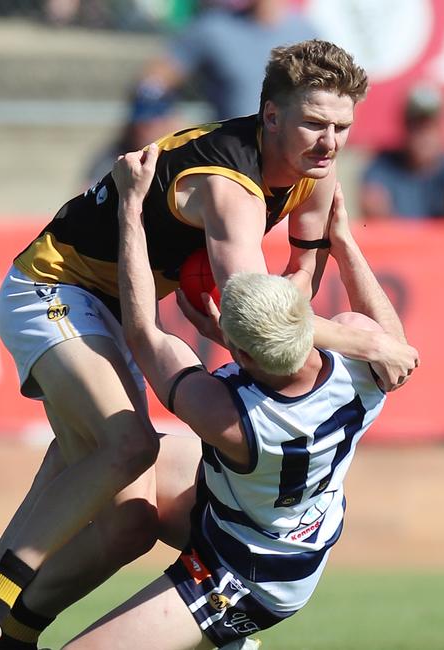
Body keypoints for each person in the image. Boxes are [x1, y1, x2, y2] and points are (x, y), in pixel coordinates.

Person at [0, 40, 418, 650]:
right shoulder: (233, 191)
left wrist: (301, 319)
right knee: (129, 445)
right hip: (54, 287)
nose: (330, 142)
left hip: (118, 309)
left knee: (127, 523)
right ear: (270, 116)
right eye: (314, 123)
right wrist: (374, 345)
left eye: (342, 126)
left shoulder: (313, 170)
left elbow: (289, 291)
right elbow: (252, 314)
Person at [57, 143, 411, 649]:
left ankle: (223, 634)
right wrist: (344, 241)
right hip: (282, 534)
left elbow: (144, 332)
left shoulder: (228, 417)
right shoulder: (361, 365)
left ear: (242, 357)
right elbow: (394, 347)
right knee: (109, 464)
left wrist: (130, 210)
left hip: (243, 574)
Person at [136, 0, 318, 121]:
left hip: (288, 156)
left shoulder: (305, 33)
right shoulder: (214, 28)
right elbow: (153, 82)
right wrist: (160, 114)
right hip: (229, 156)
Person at [360, 83, 444, 221]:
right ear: (405, 126)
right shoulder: (382, 166)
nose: (424, 134)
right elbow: (374, 209)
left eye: (430, 126)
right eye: (417, 125)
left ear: (442, 129)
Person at [84, 84, 184, 187]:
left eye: (151, 122)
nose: (142, 129)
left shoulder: (185, 156)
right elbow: (84, 197)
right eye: (139, 121)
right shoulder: (112, 157)